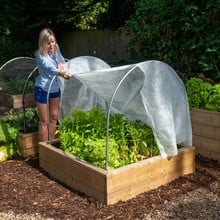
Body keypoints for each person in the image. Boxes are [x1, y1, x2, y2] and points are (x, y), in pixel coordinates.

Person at [34, 28, 72, 142]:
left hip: (55, 88)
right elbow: (49, 68)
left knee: (54, 117)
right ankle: (44, 148)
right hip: (42, 88)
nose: (51, 45)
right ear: (43, 43)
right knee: (44, 121)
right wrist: (62, 73)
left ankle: (51, 144)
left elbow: (61, 61)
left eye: (53, 42)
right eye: (48, 43)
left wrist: (62, 68)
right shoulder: (40, 54)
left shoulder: (56, 50)